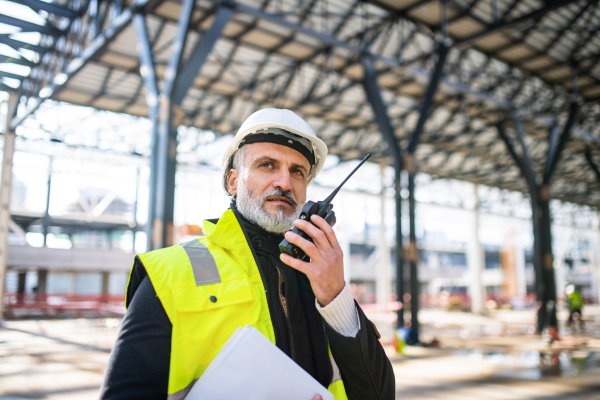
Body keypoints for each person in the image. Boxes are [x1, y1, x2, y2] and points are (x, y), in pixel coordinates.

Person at [100, 109, 395, 400]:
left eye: (297, 171)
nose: (284, 182)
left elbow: (380, 395)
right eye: (267, 165)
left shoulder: (323, 279)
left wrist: (336, 297)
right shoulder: (170, 274)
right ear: (232, 181)